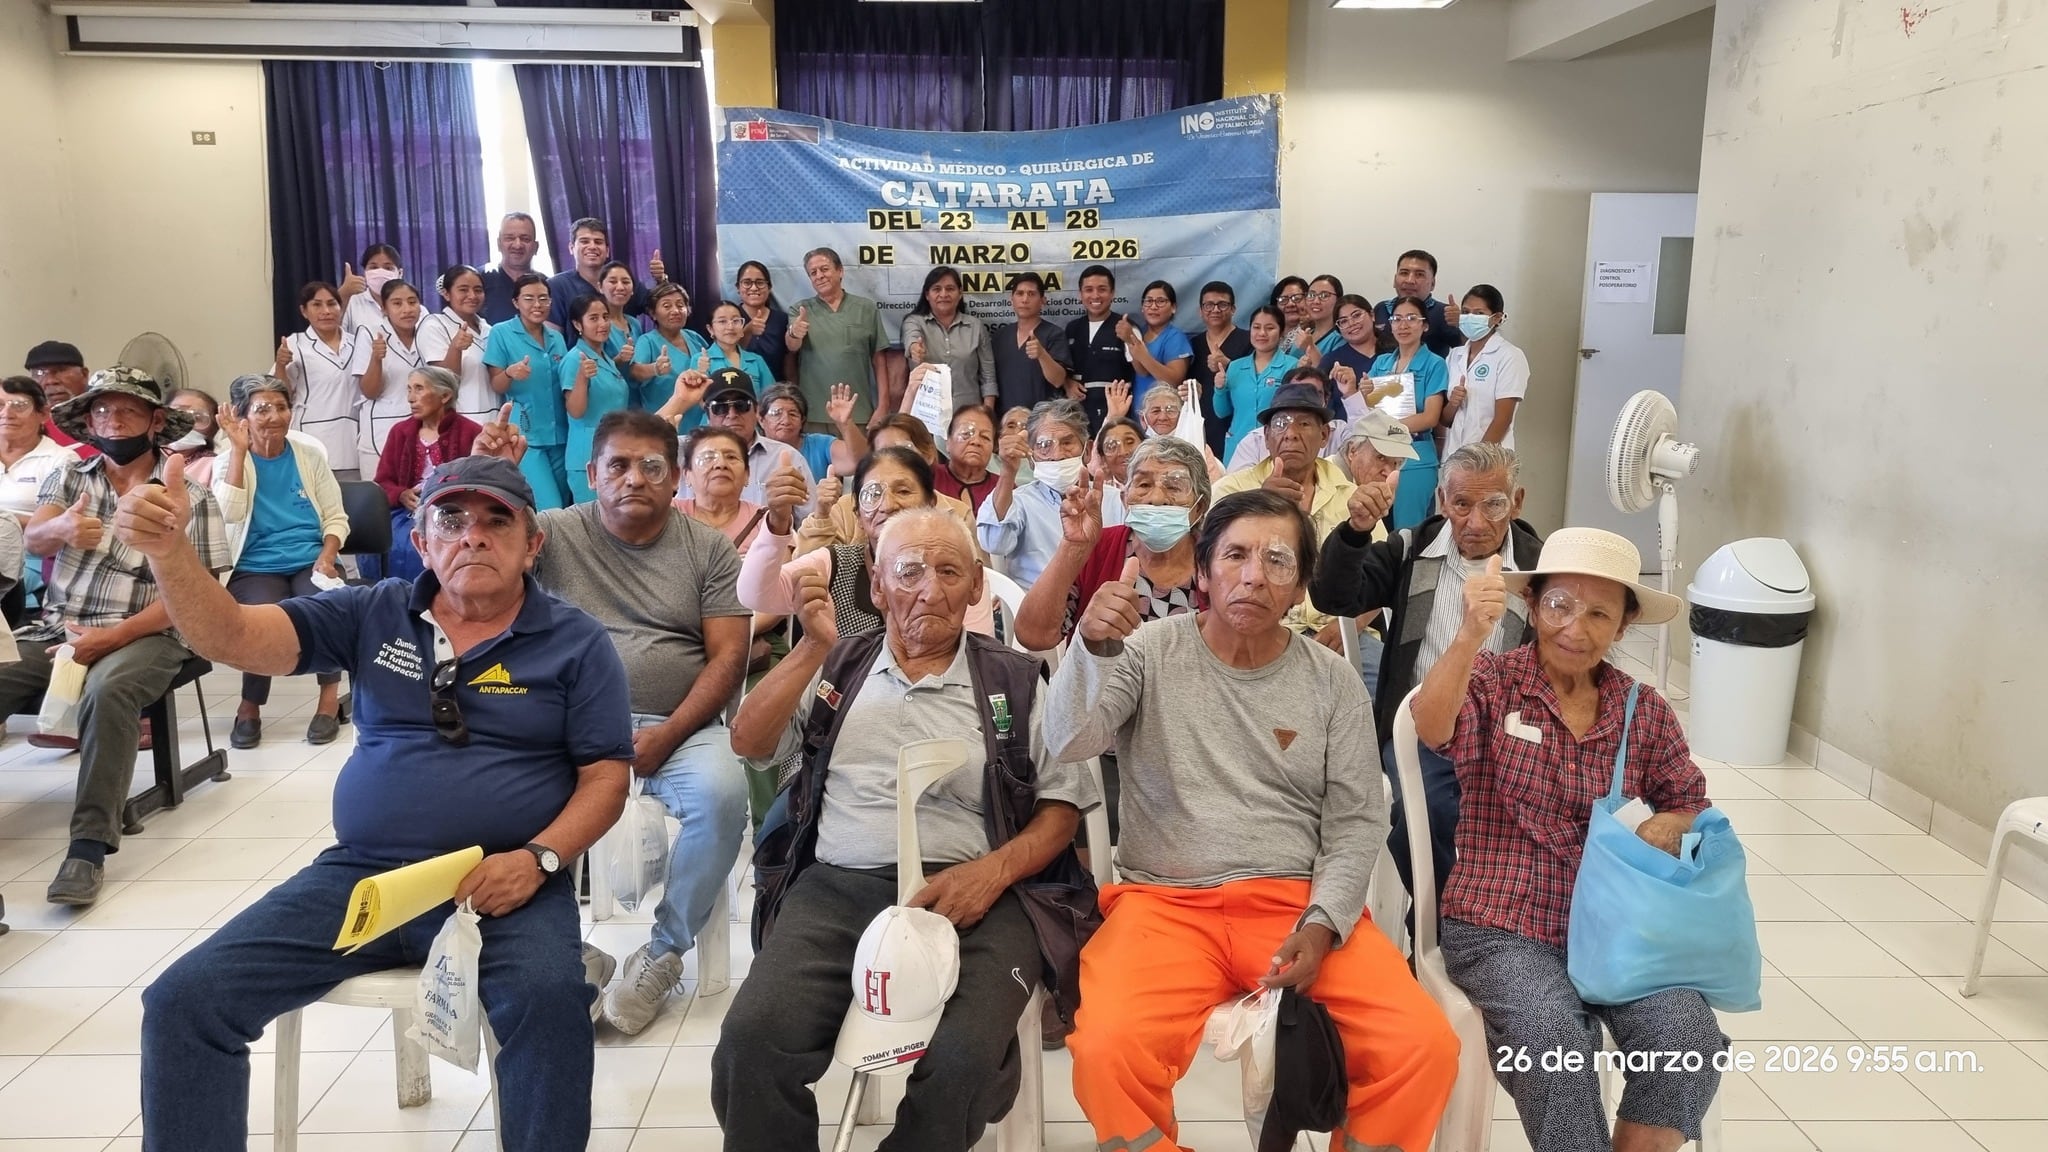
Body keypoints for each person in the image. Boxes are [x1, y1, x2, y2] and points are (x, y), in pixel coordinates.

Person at [119, 453, 634, 1152]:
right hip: (364, 878)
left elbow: (606, 777)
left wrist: (540, 860)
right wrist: (169, 551)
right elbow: (233, 636)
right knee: (184, 1001)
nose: (473, 536)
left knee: (551, 1006)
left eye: (497, 520)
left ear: (531, 544)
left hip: (505, 883)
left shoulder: (576, 641)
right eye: (451, 520)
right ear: (420, 541)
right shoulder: (372, 611)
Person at [1047, 488, 1460, 1152]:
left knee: (1421, 1046)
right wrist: (1091, 649)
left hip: (1296, 905)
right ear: (1202, 570)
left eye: (1277, 560)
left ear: (1300, 585)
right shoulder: (1147, 650)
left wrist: (1324, 921)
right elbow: (1067, 741)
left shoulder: (1331, 681)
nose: (1253, 576)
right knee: (1105, 1048)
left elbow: (1357, 818)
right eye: (1235, 555)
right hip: (1165, 905)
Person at [713, 506, 1098, 1150]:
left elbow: (1062, 807)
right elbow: (749, 743)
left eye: (949, 572)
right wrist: (811, 647)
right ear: (876, 586)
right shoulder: (837, 667)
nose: (929, 590)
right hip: (839, 886)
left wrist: (992, 872)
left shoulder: (1015, 679)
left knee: (963, 1063)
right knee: (750, 1045)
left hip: (979, 895)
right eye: (909, 571)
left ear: (975, 588)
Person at [1413, 526, 1723, 1152]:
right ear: (1532, 605)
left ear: (1624, 626)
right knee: (1555, 1045)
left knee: (1687, 1039)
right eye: (1559, 605)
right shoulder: (1494, 680)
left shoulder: (1642, 709)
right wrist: (1470, 634)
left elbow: (1692, 802)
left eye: (1599, 614)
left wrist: (1674, 821)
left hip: (1613, 926)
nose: (1575, 628)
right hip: (1502, 922)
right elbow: (1432, 727)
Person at [472, 407, 755, 1037]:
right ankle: (568, 953)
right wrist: (498, 480)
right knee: (489, 794)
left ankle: (663, 952)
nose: (634, 478)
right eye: (618, 465)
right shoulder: (552, 535)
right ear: (592, 473)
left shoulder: (708, 549)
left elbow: (728, 658)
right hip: (563, 728)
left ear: (675, 477)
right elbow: (480, 555)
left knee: (723, 794)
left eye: (651, 466)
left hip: (679, 726)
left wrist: (668, 734)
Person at [2, 368, 228, 905]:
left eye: (127, 410)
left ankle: (88, 848)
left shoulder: (189, 496)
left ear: (155, 421)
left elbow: (196, 596)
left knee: (108, 690)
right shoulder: (70, 476)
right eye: (102, 410)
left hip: (152, 630)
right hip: (60, 625)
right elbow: (34, 540)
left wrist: (110, 638)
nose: (113, 420)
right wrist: (60, 528)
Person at [1310, 441, 1542, 903]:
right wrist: (1356, 532)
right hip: (1418, 731)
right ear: (1442, 501)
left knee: (1532, 816)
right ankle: (1441, 922)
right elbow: (1334, 597)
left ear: (1516, 502)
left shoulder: (1541, 566)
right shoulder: (1411, 549)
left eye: (1493, 505)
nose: (1476, 522)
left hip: (1510, 733)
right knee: (1432, 812)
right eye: (1462, 504)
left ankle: (1504, 915)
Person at [210, 374, 349, 748]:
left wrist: (327, 557)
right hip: (255, 565)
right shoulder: (226, 461)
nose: (274, 416)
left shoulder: (309, 456)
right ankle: (250, 705)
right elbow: (227, 515)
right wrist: (239, 452)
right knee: (260, 620)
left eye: (281, 407)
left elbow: (336, 517)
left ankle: (328, 700)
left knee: (327, 608)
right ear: (243, 417)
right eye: (262, 409)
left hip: (311, 559)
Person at [742, 446, 997, 639]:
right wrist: (777, 519)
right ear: (858, 516)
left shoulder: (956, 569)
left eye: (903, 491)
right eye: (872, 494)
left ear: (931, 503)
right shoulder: (835, 563)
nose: (887, 505)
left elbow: (975, 651)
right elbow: (754, 595)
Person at [1013, 435, 1208, 654]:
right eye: (1144, 484)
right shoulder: (1097, 547)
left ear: (1199, 507)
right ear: (1125, 499)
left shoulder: (1218, 558)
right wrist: (1072, 547)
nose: (1156, 498)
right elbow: (1033, 636)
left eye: (1174, 487)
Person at [1212, 380, 1356, 646]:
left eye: (1304, 424)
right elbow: (1210, 564)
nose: (1291, 433)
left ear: (1324, 435)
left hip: (1341, 630)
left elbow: (1381, 575)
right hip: (1255, 625)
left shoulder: (1349, 495)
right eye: (1280, 424)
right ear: (1266, 436)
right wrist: (1261, 504)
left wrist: (1347, 627)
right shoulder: (1231, 490)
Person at [977, 398, 1127, 586]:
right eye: (1044, 445)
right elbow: (993, 543)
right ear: (1031, 457)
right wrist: (1008, 470)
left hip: (1102, 598)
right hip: (1035, 599)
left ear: (1088, 450)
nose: (1057, 455)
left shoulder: (1115, 500)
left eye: (1067, 443)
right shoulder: (1019, 502)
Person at [801, 415, 976, 556]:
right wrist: (821, 515)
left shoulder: (958, 514)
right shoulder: (845, 509)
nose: (887, 506)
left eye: (904, 451)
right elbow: (809, 573)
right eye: (884, 452)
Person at [375, 368, 485, 581]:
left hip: (456, 513)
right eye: (409, 389)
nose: (410, 398)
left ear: (445, 396)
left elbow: (479, 481)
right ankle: (400, 595)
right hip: (407, 513)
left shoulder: (471, 432)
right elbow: (382, 482)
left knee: (440, 541)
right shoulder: (400, 432)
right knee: (399, 541)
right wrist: (401, 494)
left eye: (419, 389)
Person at [672, 369, 817, 514]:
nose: (731, 414)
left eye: (741, 405)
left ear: (756, 411)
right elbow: (656, 443)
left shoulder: (787, 457)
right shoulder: (685, 450)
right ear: (708, 414)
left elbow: (811, 519)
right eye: (720, 407)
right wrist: (678, 400)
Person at [483, 273, 570, 509]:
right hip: (525, 434)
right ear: (516, 302)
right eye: (529, 298)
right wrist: (510, 372)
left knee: (564, 505)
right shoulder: (501, 332)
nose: (537, 305)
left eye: (543, 298)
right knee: (549, 507)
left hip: (561, 433)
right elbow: (497, 384)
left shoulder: (556, 337)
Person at [787, 247, 892, 433]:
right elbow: (792, 346)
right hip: (814, 415)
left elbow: (879, 359)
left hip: (857, 413)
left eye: (824, 269)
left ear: (840, 271)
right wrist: (795, 332)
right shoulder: (800, 309)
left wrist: (883, 405)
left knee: (859, 453)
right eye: (813, 273)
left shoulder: (866, 308)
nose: (819, 276)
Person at [1373, 295, 1452, 529]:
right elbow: (1369, 410)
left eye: (1411, 318)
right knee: (1375, 530)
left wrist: (1387, 428)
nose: (1403, 325)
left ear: (1424, 325)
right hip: (1379, 455)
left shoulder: (1434, 363)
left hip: (1415, 455)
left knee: (1406, 534)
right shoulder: (1381, 363)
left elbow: (1430, 417)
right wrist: (1356, 391)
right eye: (1397, 319)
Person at [276, 281, 367, 480]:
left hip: (353, 438)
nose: (326, 311)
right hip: (312, 435)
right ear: (304, 311)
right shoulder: (295, 344)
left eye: (332, 304)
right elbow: (281, 394)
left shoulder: (358, 343)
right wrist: (281, 365)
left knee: (354, 494)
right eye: (317, 305)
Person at [1440, 284, 1531, 458]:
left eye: (1479, 313)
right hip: (1454, 458)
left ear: (1496, 318)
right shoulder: (1454, 355)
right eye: (1465, 312)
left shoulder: (1509, 355)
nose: (1470, 317)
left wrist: (1477, 461)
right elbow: (1445, 420)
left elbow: (1502, 419)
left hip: (1489, 459)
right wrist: (1453, 403)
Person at [561, 296, 636, 505]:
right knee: (592, 519)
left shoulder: (605, 357)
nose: (602, 323)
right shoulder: (575, 359)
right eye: (593, 318)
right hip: (587, 457)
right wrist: (582, 377)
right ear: (578, 325)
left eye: (605, 317)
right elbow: (575, 411)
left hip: (612, 451)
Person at [353, 278, 428, 468]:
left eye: (412, 302)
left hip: (423, 428)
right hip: (382, 430)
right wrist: (376, 359)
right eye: (397, 303)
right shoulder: (370, 334)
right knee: (380, 487)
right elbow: (369, 391)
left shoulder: (428, 334)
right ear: (384, 309)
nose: (407, 309)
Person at [902, 266, 997, 414]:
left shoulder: (975, 326)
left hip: (969, 414)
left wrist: (987, 414)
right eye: (937, 289)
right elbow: (912, 338)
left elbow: (988, 377)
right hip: (927, 414)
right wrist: (914, 348)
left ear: (960, 293)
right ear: (927, 295)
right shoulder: (914, 322)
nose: (943, 294)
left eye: (950, 289)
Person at [1211, 305, 1299, 462]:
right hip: (1238, 447)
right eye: (1256, 327)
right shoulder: (1235, 366)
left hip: (1276, 447)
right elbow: (1221, 412)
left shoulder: (1292, 366)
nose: (1262, 333)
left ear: (1281, 332)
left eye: (1270, 328)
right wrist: (1219, 388)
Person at [418, 264, 500, 424]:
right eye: (463, 290)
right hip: (456, 420)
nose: (472, 295)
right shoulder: (435, 325)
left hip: (493, 419)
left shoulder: (488, 329)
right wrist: (456, 348)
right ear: (446, 294)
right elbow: (442, 380)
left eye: (478, 290)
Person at [674, 425, 772, 549]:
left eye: (731, 457)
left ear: (747, 475)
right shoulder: (670, 513)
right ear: (687, 475)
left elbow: (781, 560)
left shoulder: (766, 521)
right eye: (708, 458)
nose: (721, 464)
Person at [547, 217, 649, 332]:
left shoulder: (624, 282)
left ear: (607, 251)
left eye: (598, 242)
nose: (592, 247)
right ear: (571, 248)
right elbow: (551, 336)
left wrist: (661, 279)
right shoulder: (557, 286)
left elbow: (658, 307)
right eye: (584, 241)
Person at [1064, 264, 1133, 429]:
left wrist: (1130, 339)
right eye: (1089, 290)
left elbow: (1141, 371)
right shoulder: (1072, 328)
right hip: (1076, 414)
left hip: (1115, 414)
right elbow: (1062, 369)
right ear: (1080, 294)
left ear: (1112, 293)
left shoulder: (1126, 326)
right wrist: (1067, 383)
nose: (1095, 295)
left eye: (1102, 289)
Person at [992, 271, 1070, 415]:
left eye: (1031, 294)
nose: (1025, 299)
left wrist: (1042, 355)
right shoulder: (1000, 336)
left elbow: (1059, 380)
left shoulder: (1054, 334)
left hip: (1042, 419)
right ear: (1011, 299)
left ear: (1042, 300)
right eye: (1019, 293)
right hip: (1006, 419)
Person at [0, 376, 77, 523]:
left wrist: (5, 521)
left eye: (19, 405)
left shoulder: (62, 460)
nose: (6, 414)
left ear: (43, 414)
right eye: (0, 405)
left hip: (27, 538)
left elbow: (52, 525)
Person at [633, 282, 712, 416]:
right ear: (653, 313)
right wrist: (655, 369)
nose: (675, 311)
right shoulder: (647, 341)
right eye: (667, 306)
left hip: (700, 419)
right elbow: (635, 372)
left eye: (680, 305)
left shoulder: (694, 337)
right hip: (665, 420)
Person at [761, 382, 865, 484]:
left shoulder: (820, 444)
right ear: (761, 420)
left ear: (802, 421)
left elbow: (860, 463)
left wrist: (846, 423)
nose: (786, 421)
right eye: (776, 413)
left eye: (793, 414)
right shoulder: (753, 451)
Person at [1374, 250, 1465, 357]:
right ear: (1395, 280)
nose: (1410, 280)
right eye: (1404, 273)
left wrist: (1462, 324)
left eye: (1419, 275)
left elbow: (1467, 352)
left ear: (1432, 283)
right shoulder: (1381, 309)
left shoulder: (1444, 313)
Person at [22, 341, 94, 457]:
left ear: (84, 374)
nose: (50, 381)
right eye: (40, 373)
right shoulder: (22, 424)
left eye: (61, 370)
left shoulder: (107, 417)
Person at [1121, 281, 1193, 396]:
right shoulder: (1138, 333)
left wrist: (1144, 356)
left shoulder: (1175, 337)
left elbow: (1175, 381)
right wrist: (1129, 340)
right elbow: (1142, 372)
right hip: (1139, 405)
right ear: (1142, 307)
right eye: (1149, 301)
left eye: (1160, 301)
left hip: (1166, 406)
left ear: (1173, 308)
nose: (1153, 307)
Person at [932, 403, 1000, 513]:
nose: (976, 441)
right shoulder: (929, 476)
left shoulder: (1003, 486)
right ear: (948, 442)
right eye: (966, 434)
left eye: (985, 437)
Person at [1323, 292, 1382, 413]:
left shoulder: (1396, 352)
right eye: (1343, 321)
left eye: (1357, 315)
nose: (1352, 323)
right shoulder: (1331, 362)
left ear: (1372, 315)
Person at [732, 260, 790, 381]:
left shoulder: (781, 320)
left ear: (769, 287)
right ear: (738, 287)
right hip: (737, 388)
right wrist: (747, 332)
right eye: (747, 283)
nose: (754, 288)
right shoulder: (729, 318)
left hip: (775, 389)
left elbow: (789, 363)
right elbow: (723, 355)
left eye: (760, 283)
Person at [479, 211, 540, 325]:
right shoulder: (478, 280)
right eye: (509, 238)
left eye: (525, 239)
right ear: (498, 244)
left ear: (536, 247)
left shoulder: (547, 286)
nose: (517, 245)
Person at [165, 389, 224, 496]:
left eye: (197, 418)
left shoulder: (216, 466)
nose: (185, 423)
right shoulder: (145, 457)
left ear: (212, 430)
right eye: (178, 414)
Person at [337, 243, 404, 337]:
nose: (380, 272)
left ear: (400, 273)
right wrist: (342, 295)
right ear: (364, 272)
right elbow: (332, 334)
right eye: (374, 267)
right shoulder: (352, 302)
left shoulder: (411, 304)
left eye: (388, 268)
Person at [1301, 274, 1347, 361]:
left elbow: (1329, 369)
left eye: (1324, 295)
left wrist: (1310, 347)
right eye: (1311, 295)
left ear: (1338, 300)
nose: (1316, 301)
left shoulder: (1341, 338)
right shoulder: (1303, 334)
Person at [1092, 416, 1142, 488]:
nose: (1123, 452)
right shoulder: (1101, 491)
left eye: (1130, 442)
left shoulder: (1158, 484)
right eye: (1111, 446)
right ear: (1103, 459)